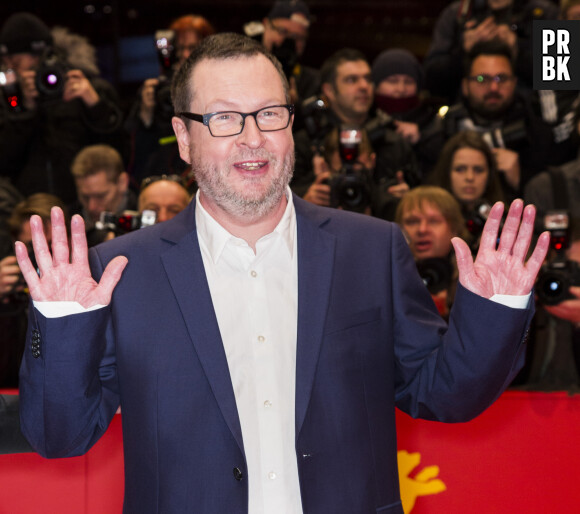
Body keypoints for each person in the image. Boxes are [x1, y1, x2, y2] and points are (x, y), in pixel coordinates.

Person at [16, 33, 549, 514]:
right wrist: (62, 320)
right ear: (183, 137)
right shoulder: (123, 270)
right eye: (224, 118)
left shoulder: (371, 249)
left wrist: (495, 310)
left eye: (270, 113)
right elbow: (61, 436)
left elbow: (443, 394)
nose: (252, 138)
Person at [0, 12, 127, 205]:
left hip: (87, 206)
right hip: (32, 210)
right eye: (6, 62)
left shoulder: (87, 86)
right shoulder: (10, 99)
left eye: (16, 62)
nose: (10, 68)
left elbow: (120, 153)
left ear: (39, 56)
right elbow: (5, 162)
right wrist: (25, 109)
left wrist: (95, 105)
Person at [292, 48, 419, 220]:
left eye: (367, 79)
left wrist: (409, 200)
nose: (363, 86)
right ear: (329, 90)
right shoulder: (304, 143)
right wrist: (302, 202)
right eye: (352, 80)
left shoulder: (393, 141)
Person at [440, 39, 553, 197]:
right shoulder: (442, 131)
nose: (494, 87)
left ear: (514, 83)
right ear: (465, 86)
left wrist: (522, 179)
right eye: (482, 79)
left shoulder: (539, 134)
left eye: (501, 78)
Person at [124, 14, 215, 184]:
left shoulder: (219, 89)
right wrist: (145, 116)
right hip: (160, 178)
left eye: (192, 47)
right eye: (179, 49)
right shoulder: (157, 90)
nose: (185, 54)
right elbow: (136, 155)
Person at [423, 0, 559, 103]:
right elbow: (431, 81)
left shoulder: (548, 12)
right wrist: (463, 50)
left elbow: (565, 80)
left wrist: (518, 48)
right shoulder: (457, 13)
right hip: (469, 117)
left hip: (532, 117)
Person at [0, 193, 66, 388]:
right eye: (34, 247)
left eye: (51, 246)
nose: (43, 255)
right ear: (16, 246)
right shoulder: (11, 288)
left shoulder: (88, 278)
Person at [395, 185, 469, 318]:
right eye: (412, 222)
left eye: (434, 221)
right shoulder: (388, 277)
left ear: (454, 229)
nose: (422, 230)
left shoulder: (473, 278)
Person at [371, 48, 444, 176]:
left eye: (408, 82)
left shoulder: (433, 122)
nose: (401, 89)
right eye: (392, 81)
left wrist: (421, 140)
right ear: (376, 85)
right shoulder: (364, 119)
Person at [429, 130, 504, 237]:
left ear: (490, 174)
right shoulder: (427, 222)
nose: (470, 177)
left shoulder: (507, 221)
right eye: (460, 169)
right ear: (446, 172)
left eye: (478, 170)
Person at [69, 144, 136, 246]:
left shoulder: (148, 214)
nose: (92, 207)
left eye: (101, 196)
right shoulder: (67, 223)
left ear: (122, 182)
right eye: (85, 197)